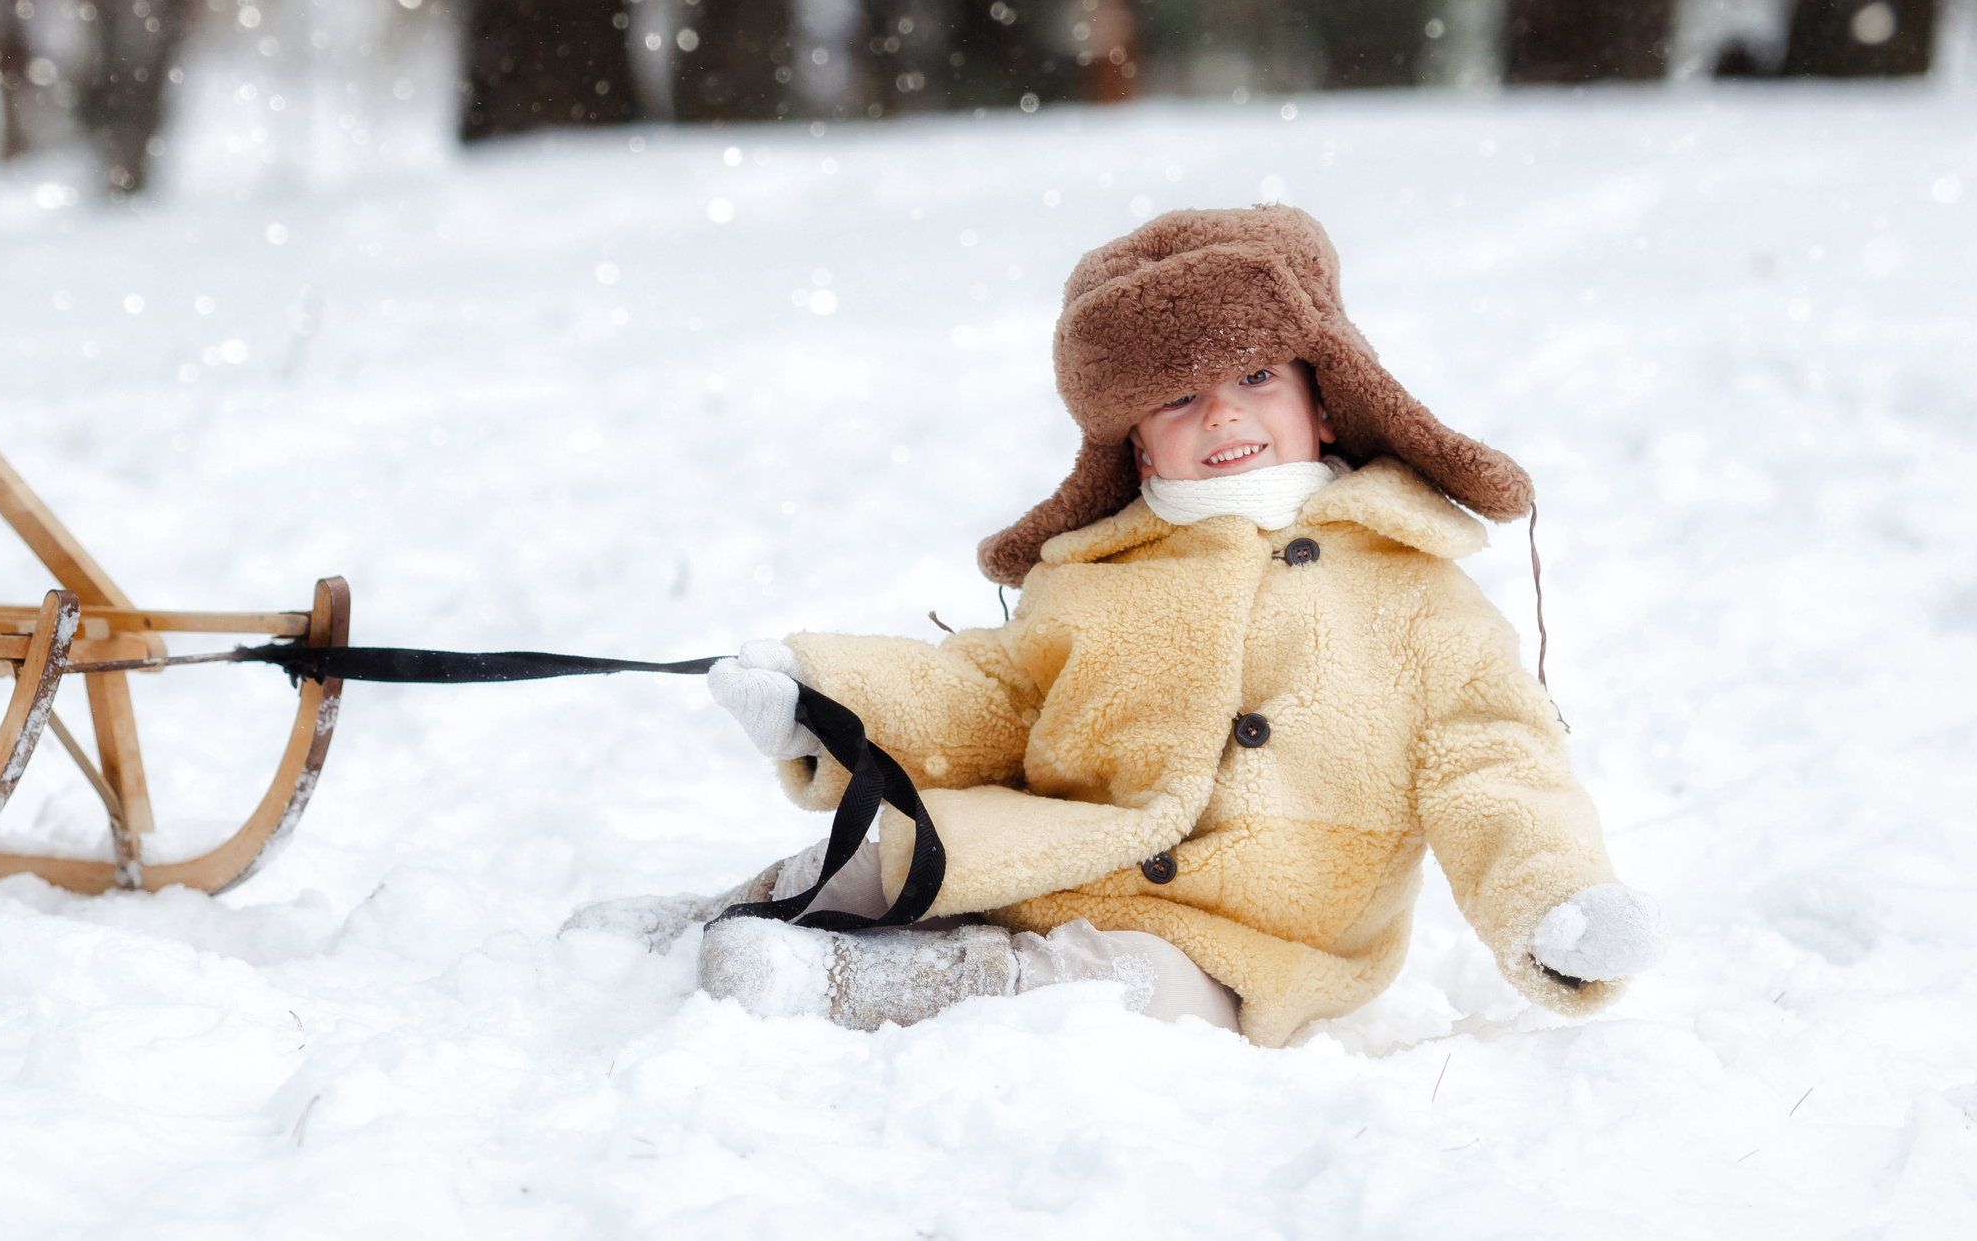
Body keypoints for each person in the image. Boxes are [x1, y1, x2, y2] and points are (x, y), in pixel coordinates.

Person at [678, 204, 1660, 1046]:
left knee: (1129, 992)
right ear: (1137, 450)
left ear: (1324, 404)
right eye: (1180, 399)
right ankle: (703, 924)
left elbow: (1496, 761)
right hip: (1056, 859)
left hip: (1249, 943)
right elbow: (986, 698)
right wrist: (819, 698)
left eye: (1256, 379)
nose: (1222, 414)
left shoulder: (1417, 593)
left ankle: (854, 986)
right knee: (883, 850)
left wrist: (1553, 895)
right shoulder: (1105, 573)